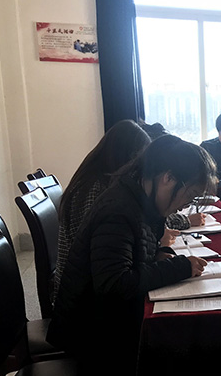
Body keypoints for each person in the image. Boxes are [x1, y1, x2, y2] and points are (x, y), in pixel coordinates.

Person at [48, 135, 217, 376]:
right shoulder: (119, 210)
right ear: (168, 178)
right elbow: (115, 284)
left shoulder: (137, 198)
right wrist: (180, 268)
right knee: (193, 353)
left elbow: (138, 251)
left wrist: (161, 254)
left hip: (102, 322)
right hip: (93, 338)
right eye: (190, 195)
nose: (186, 205)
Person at [54, 120, 152, 298]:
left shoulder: (97, 181)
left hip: (84, 283)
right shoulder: (97, 189)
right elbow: (104, 260)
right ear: (127, 157)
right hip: (80, 295)